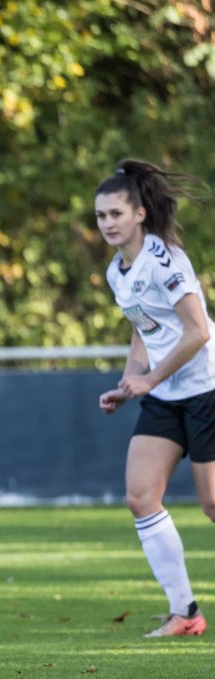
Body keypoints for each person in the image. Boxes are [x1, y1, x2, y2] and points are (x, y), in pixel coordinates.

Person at [96, 158, 209, 638]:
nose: (107, 224)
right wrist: (129, 382)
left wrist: (151, 378)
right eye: (101, 216)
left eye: (116, 214)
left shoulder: (165, 262)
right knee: (140, 497)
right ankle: (185, 613)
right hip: (164, 397)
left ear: (140, 213)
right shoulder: (118, 272)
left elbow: (198, 332)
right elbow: (145, 329)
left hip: (206, 392)